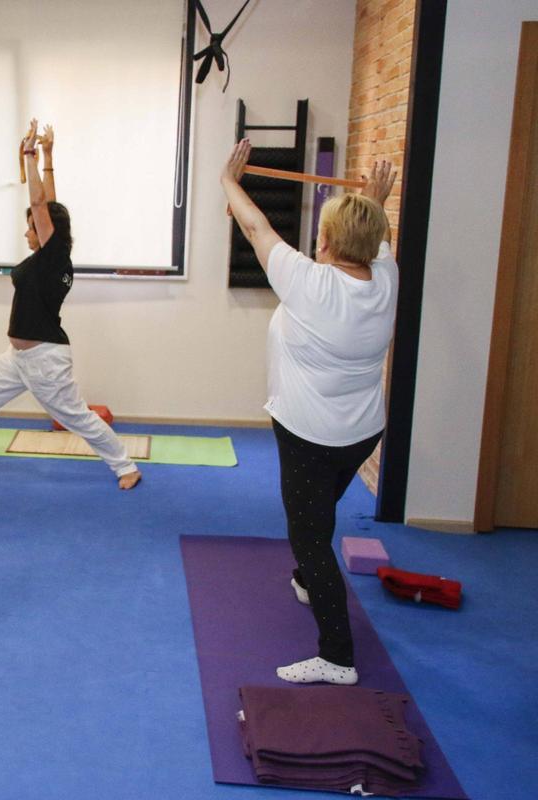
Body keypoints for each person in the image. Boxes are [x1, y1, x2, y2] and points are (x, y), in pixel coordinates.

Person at [221, 139, 398, 686]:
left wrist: (230, 181)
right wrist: (373, 202)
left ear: (324, 242)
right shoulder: (386, 279)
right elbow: (377, 239)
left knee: (311, 536)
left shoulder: (311, 285)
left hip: (308, 436)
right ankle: (306, 578)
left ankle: (338, 658)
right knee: (319, 514)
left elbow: (256, 229)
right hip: (362, 435)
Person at [0, 120, 142, 490]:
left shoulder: (54, 257)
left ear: (45, 231)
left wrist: (28, 156)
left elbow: (41, 204)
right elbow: (49, 206)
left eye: (30, 227)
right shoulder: (53, 255)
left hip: (45, 361)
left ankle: (125, 467)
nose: (26, 231)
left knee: (77, 418)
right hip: (18, 358)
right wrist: (49, 156)